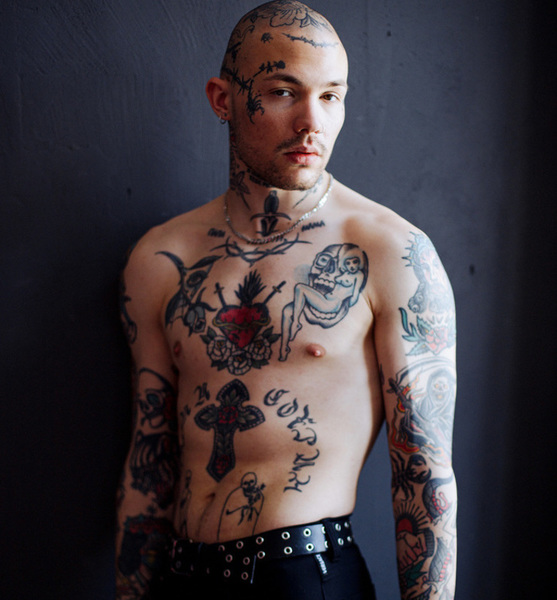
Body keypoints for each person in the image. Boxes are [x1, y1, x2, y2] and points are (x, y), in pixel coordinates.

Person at [115, 2, 457, 599]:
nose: (311, 122)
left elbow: (424, 475)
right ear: (223, 99)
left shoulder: (389, 251)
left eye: (330, 96)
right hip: (182, 576)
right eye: (282, 92)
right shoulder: (161, 258)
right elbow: (150, 461)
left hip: (303, 576)